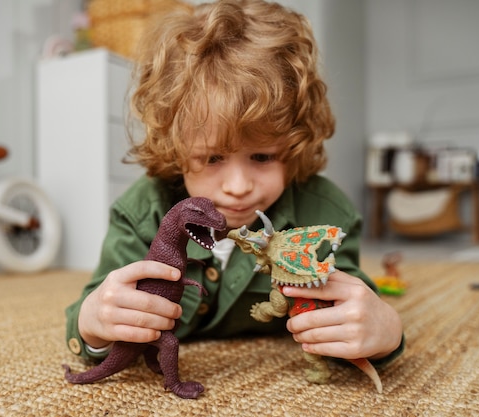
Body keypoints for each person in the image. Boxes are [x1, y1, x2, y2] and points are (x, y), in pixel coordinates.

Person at [65, 0, 404, 371]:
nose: (239, 186)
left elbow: (354, 313)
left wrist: (385, 334)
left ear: (294, 145)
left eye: (262, 157)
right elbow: (93, 320)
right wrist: (94, 325)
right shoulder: (141, 212)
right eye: (212, 158)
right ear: (177, 151)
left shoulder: (326, 214)